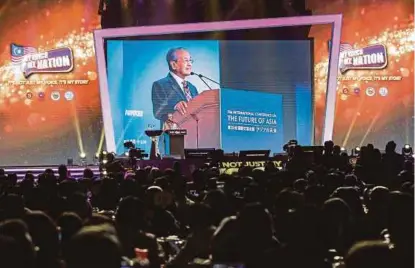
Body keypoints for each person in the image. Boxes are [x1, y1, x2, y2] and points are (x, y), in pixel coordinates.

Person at [152, 47, 199, 127]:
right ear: (174, 64)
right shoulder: (160, 85)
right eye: (186, 60)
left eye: (190, 60)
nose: (190, 64)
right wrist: (175, 106)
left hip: (194, 136)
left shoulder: (192, 88)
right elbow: (157, 111)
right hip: (173, 136)